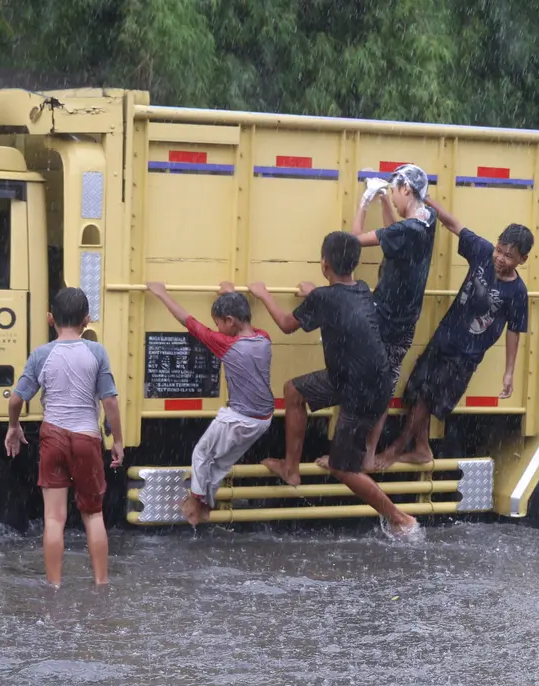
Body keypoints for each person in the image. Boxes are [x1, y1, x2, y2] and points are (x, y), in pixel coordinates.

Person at [247, 230, 420, 539]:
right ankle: (291, 468)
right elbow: (336, 303)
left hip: (362, 391)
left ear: (323, 264)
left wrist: (263, 295)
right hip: (356, 378)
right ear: (354, 264)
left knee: (343, 469)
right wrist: (315, 294)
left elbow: (287, 325)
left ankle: (399, 518)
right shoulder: (361, 289)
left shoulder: (324, 298)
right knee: (294, 390)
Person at [373, 197, 532, 471]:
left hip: (463, 357)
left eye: (509, 256)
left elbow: (515, 332)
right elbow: (455, 225)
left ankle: (396, 448)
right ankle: (422, 449)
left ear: (523, 259)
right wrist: (427, 200)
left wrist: (509, 372)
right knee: (415, 393)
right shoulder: (482, 252)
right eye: (500, 249)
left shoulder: (517, 292)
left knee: (426, 399)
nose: (501, 258)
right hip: (443, 339)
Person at [5, 287, 124, 587]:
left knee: (54, 519)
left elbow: (16, 399)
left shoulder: (42, 355)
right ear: (87, 320)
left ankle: (54, 586)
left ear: (49, 319)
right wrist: (118, 441)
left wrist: (14, 426)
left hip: (53, 438)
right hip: (86, 438)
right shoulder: (96, 352)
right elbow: (110, 401)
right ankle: (101, 583)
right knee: (94, 515)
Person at [146, 280, 274, 526]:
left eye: (218, 324)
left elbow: (189, 322)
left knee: (201, 453)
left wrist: (162, 293)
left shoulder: (228, 345)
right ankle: (205, 506)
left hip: (239, 419)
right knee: (220, 463)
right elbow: (240, 320)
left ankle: (194, 505)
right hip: (263, 419)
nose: (216, 328)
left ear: (230, 321)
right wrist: (231, 294)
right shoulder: (263, 338)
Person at [347, 164, 437, 471]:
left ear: (407, 190)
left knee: (372, 387)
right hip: (405, 322)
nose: (395, 199)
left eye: (395, 191)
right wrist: (386, 200)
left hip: (385, 319)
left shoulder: (407, 230)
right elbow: (392, 241)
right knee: (385, 384)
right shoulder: (426, 220)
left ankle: (363, 456)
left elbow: (353, 240)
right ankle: (369, 454)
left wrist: (366, 200)